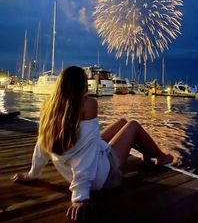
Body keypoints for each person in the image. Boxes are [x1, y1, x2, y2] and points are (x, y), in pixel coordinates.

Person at [11, 66, 173, 221]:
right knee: (133, 125)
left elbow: (42, 145)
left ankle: (146, 153)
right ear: (82, 84)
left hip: (79, 171)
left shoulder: (49, 107)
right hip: (103, 178)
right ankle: (160, 156)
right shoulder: (88, 104)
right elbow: (85, 153)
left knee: (123, 121)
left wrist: (33, 174)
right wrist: (80, 196)